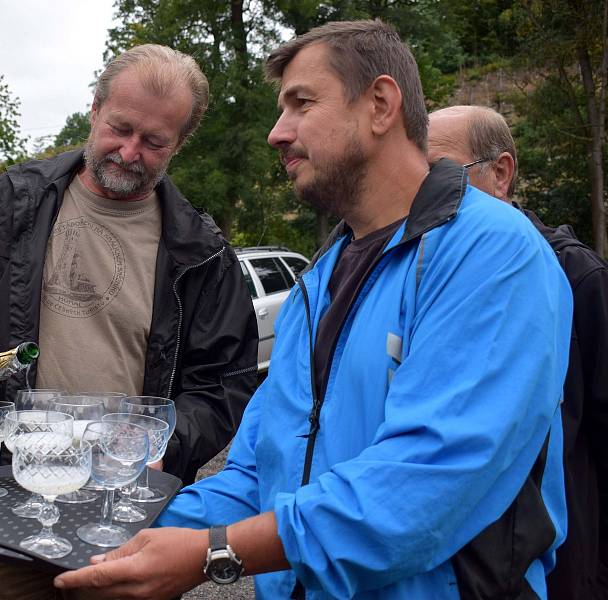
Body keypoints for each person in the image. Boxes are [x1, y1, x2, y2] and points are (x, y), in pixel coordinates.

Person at [53, 20, 574, 600]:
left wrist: (215, 553)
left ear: (380, 104)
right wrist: (102, 529)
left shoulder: (492, 253)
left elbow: (425, 483)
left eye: (302, 103)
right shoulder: (314, 286)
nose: (278, 133)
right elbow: (257, 475)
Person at [0, 44, 258, 600]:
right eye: (120, 128)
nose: (129, 153)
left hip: (127, 512)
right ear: (95, 108)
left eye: (154, 142)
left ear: (179, 144)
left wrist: (161, 447)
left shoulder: (202, 251)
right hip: (12, 502)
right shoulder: (17, 202)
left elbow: (225, 384)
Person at [427, 104, 608, 599]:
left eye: (439, 174)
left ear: (500, 173)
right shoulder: (427, 281)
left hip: (564, 570)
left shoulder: (579, 278)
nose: (421, 196)